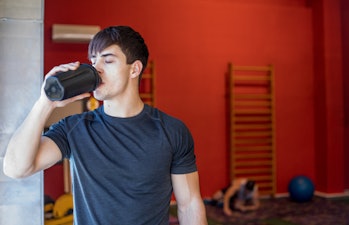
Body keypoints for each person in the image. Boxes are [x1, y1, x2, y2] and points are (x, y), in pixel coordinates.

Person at [3, 26, 207, 225]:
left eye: (108, 60)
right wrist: (45, 103)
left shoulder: (171, 131)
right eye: (93, 61)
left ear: (134, 69)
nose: (96, 68)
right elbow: (15, 168)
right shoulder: (74, 128)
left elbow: (189, 204)